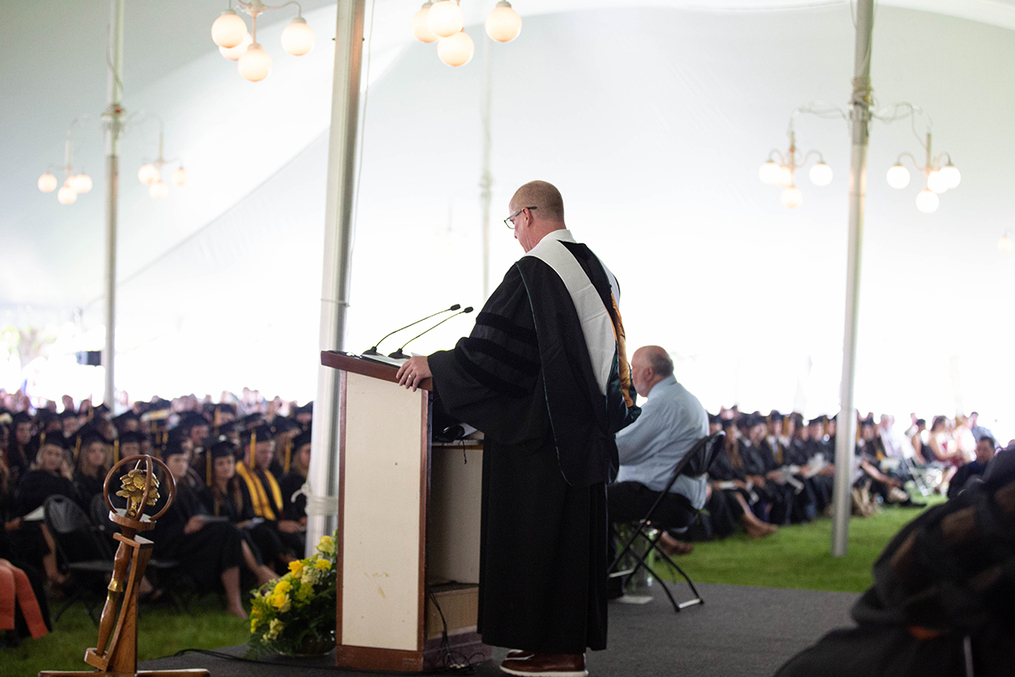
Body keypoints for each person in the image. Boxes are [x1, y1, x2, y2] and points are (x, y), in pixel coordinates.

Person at [396, 180, 639, 677]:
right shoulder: (598, 268)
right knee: (569, 546)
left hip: (545, 442)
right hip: (584, 434)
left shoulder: (536, 270)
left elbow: (492, 355)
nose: (513, 234)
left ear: (528, 215)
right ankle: (556, 645)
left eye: (512, 223)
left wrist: (437, 366)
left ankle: (561, 652)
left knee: (544, 545)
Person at [609, 345, 707, 564]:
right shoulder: (685, 398)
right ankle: (611, 577)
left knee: (593, 501)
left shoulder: (663, 403)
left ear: (649, 372)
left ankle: (607, 579)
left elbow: (621, 451)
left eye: (632, 369)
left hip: (669, 499)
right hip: (684, 497)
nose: (630, 375)